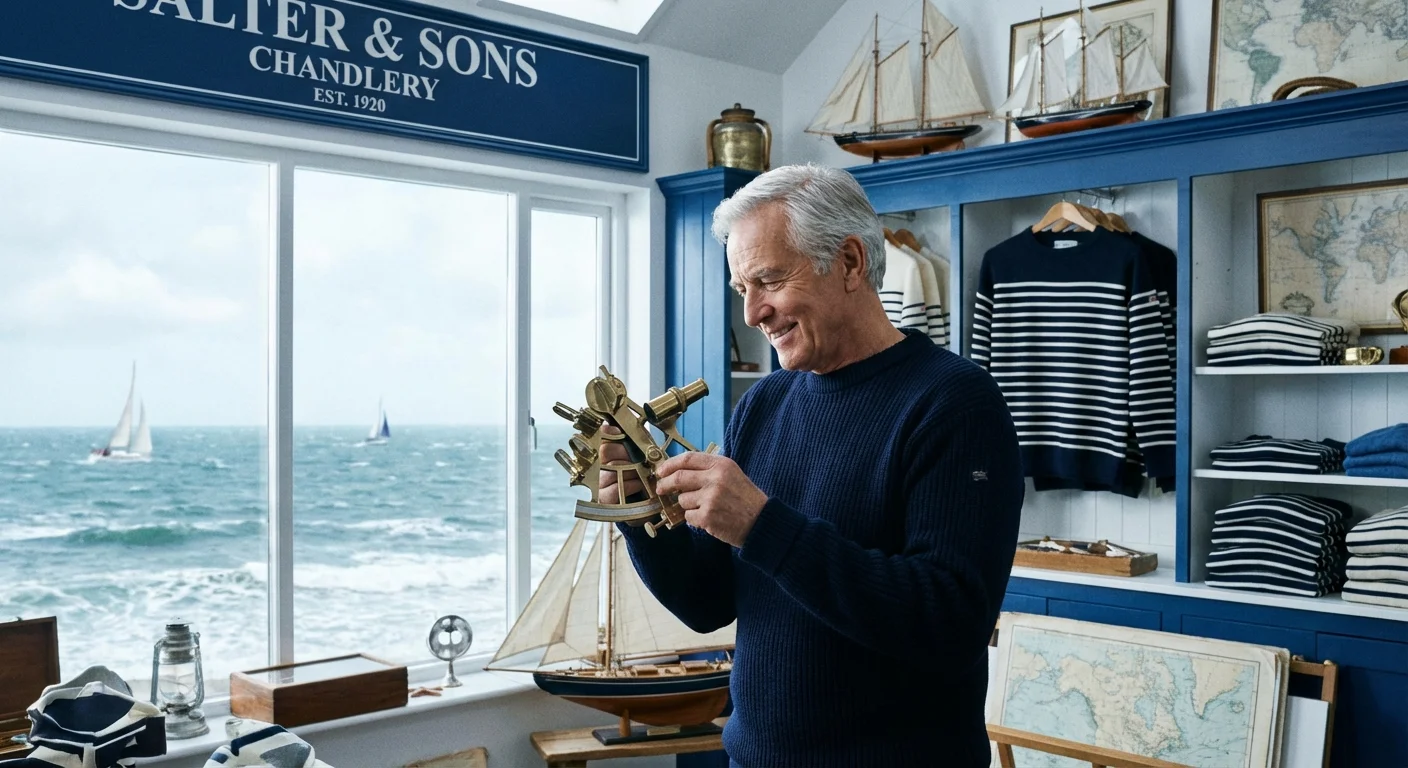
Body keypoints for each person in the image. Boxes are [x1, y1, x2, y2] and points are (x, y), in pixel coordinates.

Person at [599, 163, 1024, 767]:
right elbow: (706, 603)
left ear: (849, 262)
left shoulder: (957, 403)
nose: (753, 313)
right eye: (741, 289)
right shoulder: (764, 404)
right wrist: (639, 511)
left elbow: (949, 624)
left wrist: (760, 525)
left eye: (768, 280)